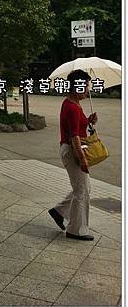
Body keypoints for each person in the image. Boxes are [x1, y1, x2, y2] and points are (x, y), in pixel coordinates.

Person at [48, 69, 98, 241]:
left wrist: (89, 121)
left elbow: (77, 127)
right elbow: (74, 136)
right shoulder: (73, 108)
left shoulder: (72, 104)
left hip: (70, 149)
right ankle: (75, 230)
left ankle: (59, 211)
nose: (87, 90)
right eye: (85, 86)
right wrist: (83, 159)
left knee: (84, 188)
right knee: (82, 190)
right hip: (73, 151)